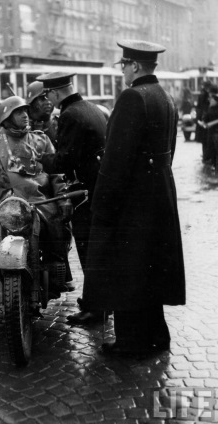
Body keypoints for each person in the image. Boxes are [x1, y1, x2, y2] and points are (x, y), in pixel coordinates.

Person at [81, 39, 186, 357]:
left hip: (132, 203)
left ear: (135, 66)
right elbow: (169, 148)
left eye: (124, 65)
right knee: (150, 269)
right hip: (159, 196)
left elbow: (115, 161)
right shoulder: (164, 97)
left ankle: (130, 342)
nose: (123, 70)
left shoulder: (131, 97)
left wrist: (102, 205)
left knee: (125, 270)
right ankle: (157, 335)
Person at [0, 96, 73, 296]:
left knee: (57, 228)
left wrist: (63, 196)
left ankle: (57, 273)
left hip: (35, 199)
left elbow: (56, 174)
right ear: (7, 118)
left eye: (26, 111)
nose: (25, 116)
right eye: (19, 112)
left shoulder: (41, 139)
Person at [35, 71, 108, 324]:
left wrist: (39, 159)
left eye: (49, 95)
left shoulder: (69, 115)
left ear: (55, 93)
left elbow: (65, 160)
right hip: (98, 187)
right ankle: (97, 301)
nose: (49, 101)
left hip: (85, 192)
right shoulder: (89, 108)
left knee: (88, 251)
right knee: (95, 250)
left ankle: (95, 310)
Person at [26, 81, 58, 145]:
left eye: (50, 97)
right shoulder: (20, 126)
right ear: (32, 101)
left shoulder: (59, 125)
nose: (48, 102)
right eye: (42, 98)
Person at [199, 84, 218, 170]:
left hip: (215, 131)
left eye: (212, 99)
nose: (210, 100)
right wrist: (203, 121)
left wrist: (211, 123)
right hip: (210, 132)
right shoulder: (210, 107)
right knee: (211, 148)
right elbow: (206, 117)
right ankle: (212, 162)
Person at [196, 80, 212, 161]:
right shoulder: (206, 95)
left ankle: (205, 155)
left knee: (204, 140)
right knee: (207, 139)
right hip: (206, 118)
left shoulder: (201, 94)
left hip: (202, 117)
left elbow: (198, 107)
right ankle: (207, 156)